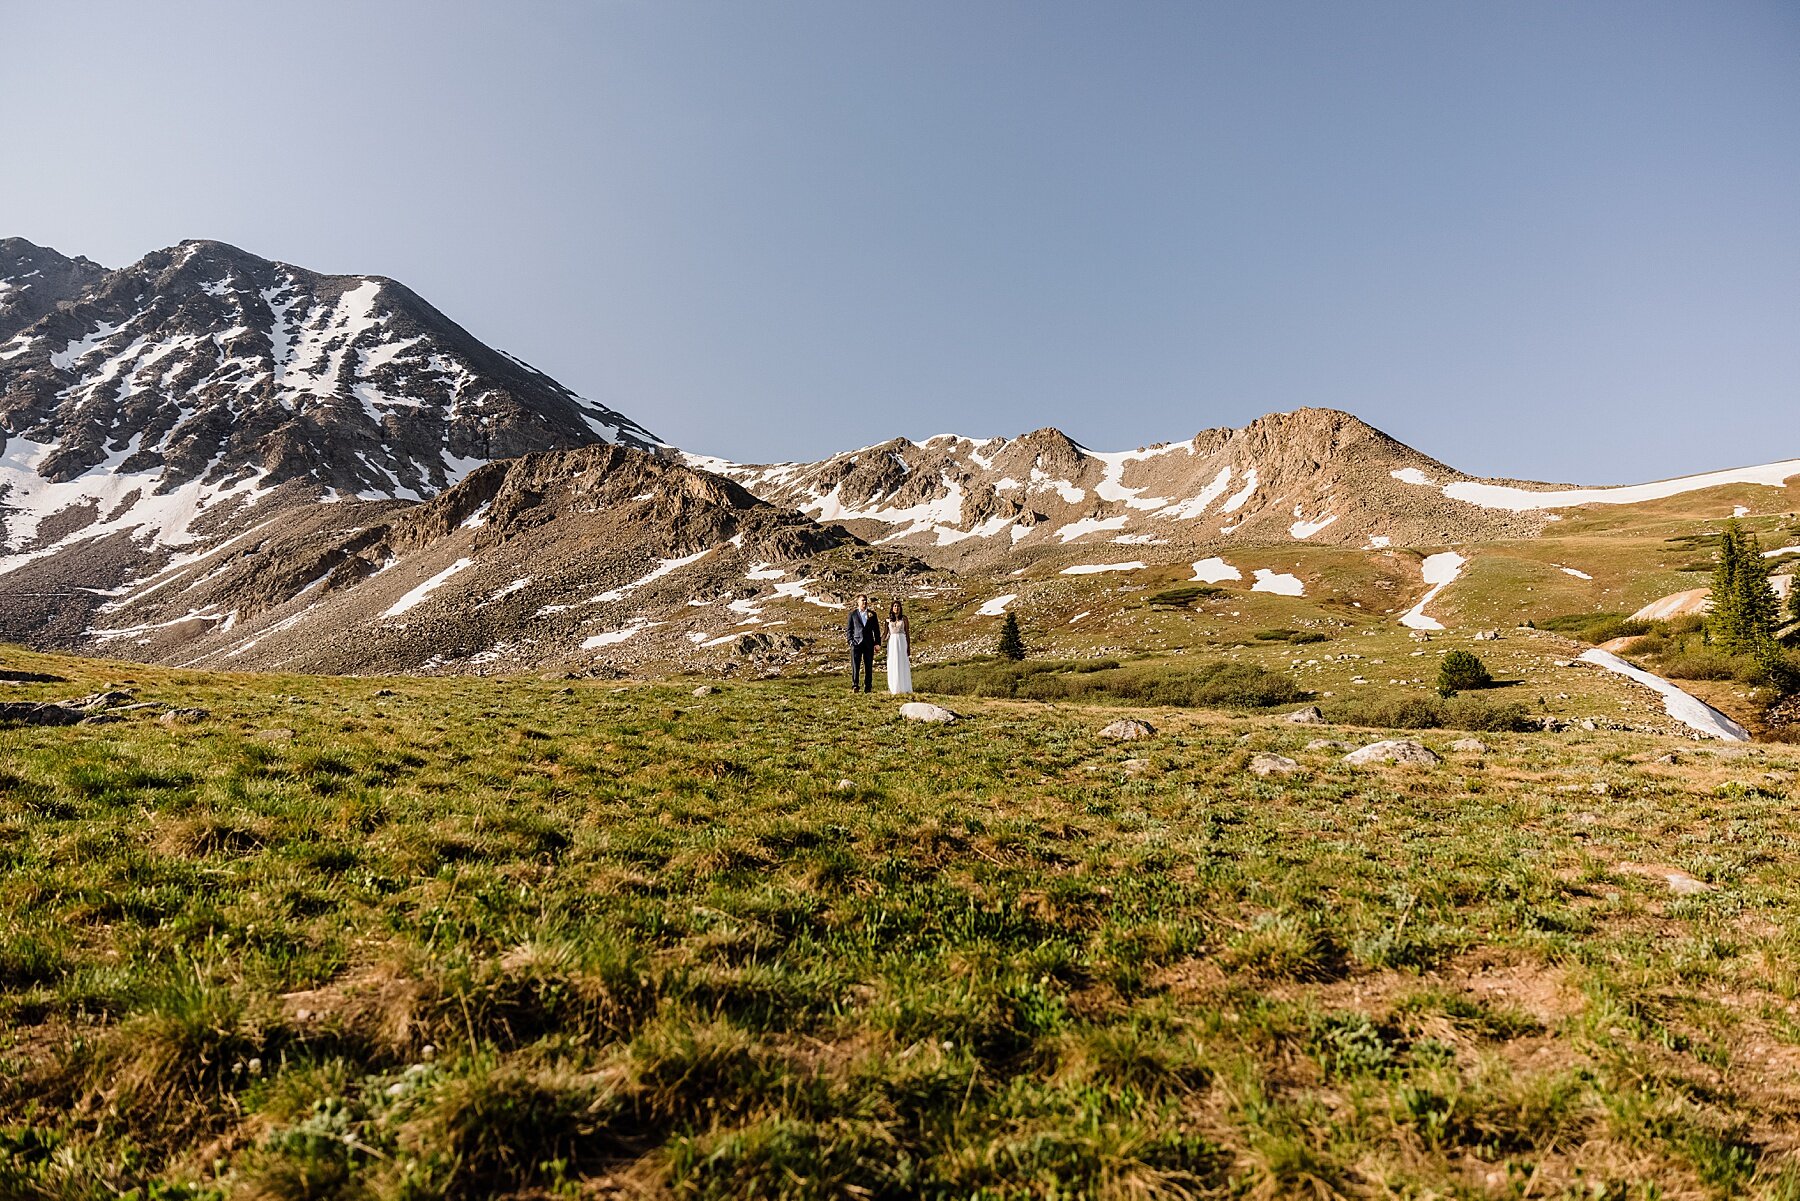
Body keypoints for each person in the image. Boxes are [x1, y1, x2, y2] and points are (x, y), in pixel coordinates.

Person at [845, 593, 882, 693]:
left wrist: (877, 643)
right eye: (863, 600)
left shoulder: (872, 614)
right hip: (856, 643)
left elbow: (876, 630)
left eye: (866, 600)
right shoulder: (852, 614)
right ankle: (855, 685)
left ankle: (868, 686)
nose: (865, 602)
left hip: (868, 644)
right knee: (855, 666)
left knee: (868, 666)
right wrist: (850, 641)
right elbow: (849, 630)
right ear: (858, 602)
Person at [886, 598, 912, 694]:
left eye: (898, 606)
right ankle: (894, 687)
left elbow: (907, 633)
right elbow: (885, 634)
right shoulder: (888, 620)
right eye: (895, 606)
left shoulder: (904, 618)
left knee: (902, 663)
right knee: (893, 663)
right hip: (892, 642)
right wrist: (877, 643)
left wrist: (908, 646)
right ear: (892, 608)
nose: (896, 608)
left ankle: (904, 687)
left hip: (901, 641)